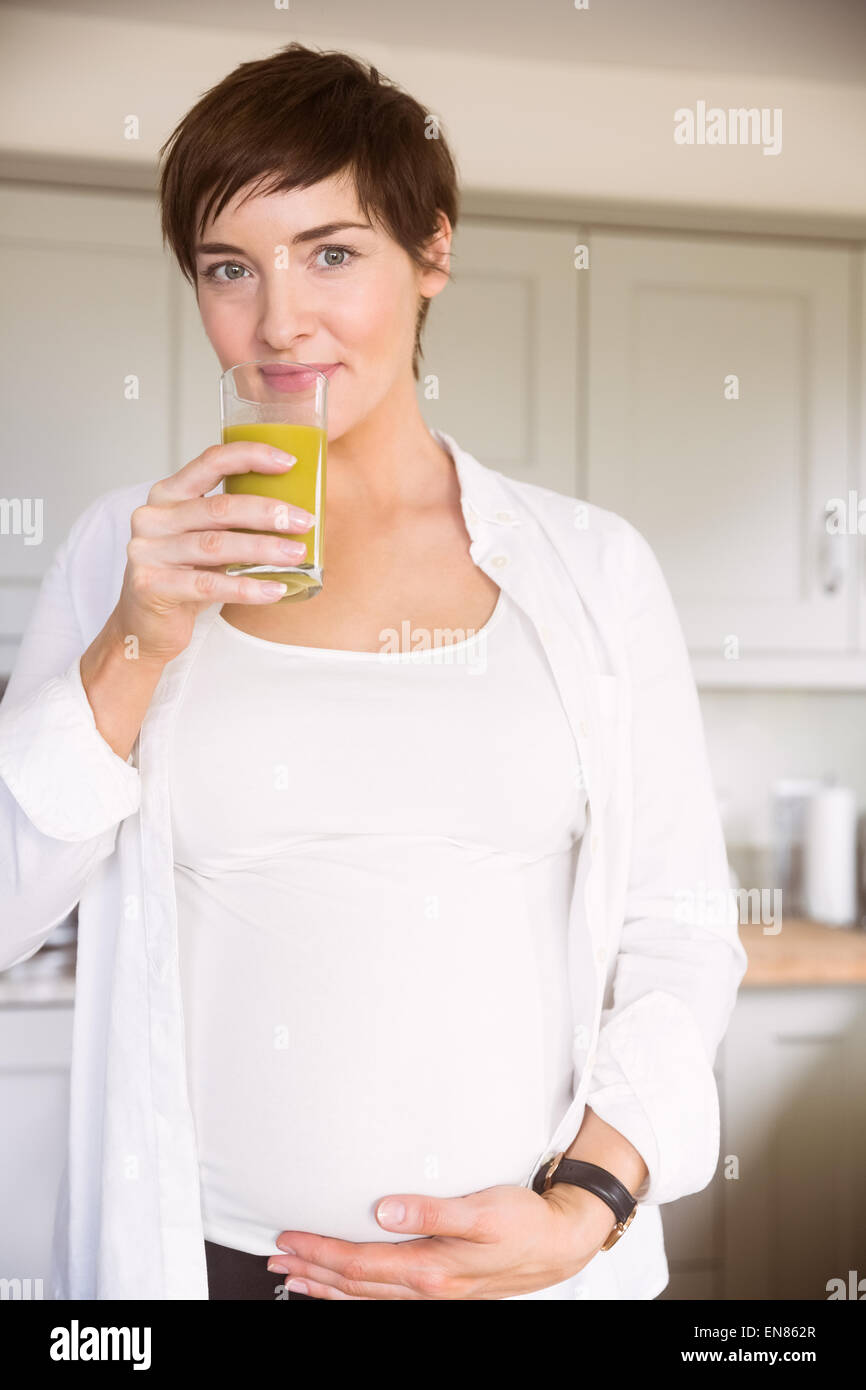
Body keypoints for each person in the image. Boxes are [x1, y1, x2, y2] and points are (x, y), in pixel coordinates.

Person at [0, 42, 747, 1301]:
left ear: (432, 254)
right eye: (230, 268)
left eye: (331, 253)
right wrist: (138, 637)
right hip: (204, 1268)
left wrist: (589, 1204)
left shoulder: (590, 570)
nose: (278, 320)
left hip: (525, 1282)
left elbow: (676, 934)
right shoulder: (123, 553)